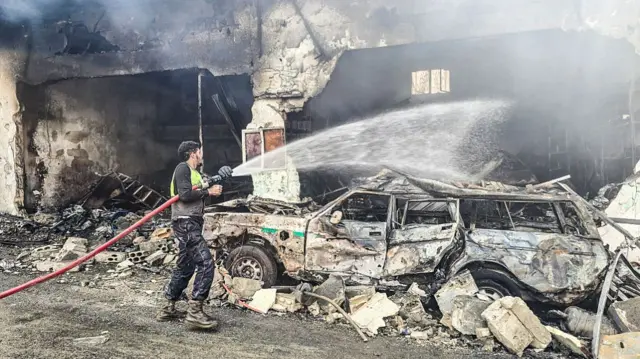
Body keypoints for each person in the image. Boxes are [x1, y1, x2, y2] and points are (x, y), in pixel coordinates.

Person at [156, 141, 233, 329]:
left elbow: (205, 185)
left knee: (185, 267)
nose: (202, 154)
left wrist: (221, 176)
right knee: (206, 263)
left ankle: (168, 308)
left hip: (190, 223)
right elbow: (184, 194)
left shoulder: (196, 174)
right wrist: (209, 191)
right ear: (193, 153)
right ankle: (195, 312)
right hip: (185, 222)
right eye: (200, 151)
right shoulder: (183, 168)